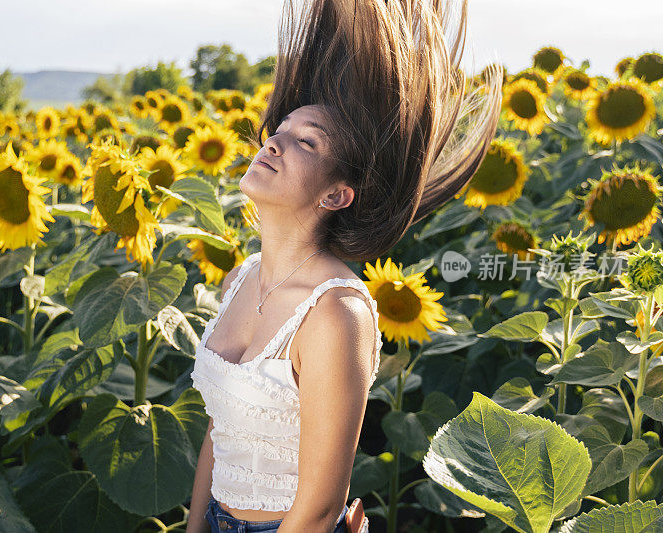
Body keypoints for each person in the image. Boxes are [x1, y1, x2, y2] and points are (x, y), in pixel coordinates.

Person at [186, 0, 503, 531]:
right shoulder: (241, 277)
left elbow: (317, 510)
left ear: (336, 194)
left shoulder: (335, 313)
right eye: (279, 128)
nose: (274, 141)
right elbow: (220, 434)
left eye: (305, 141)